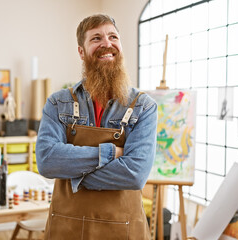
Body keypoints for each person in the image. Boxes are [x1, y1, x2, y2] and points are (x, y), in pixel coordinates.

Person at [36, 14, 157, 240]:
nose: (107, 44)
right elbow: (47, 161)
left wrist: (72, 174)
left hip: (124, 228)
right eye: (96, 38)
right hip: (66, 228)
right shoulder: (58, 103)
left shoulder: (143, 107)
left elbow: (134, 175)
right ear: (81, 51)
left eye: (113, 36)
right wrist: (110, 153)